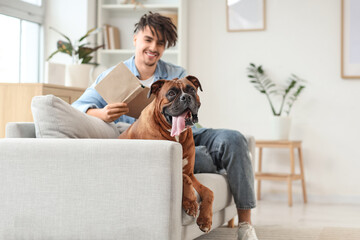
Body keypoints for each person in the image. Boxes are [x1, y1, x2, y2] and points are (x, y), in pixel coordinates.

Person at [72, 12, 258, 240]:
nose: (153, 47)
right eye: (148, 39)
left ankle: (246, 226)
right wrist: (102, 112)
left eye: (160, 43)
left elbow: (188, 104)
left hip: (190, 133)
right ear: (135, 39)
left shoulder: (175, 73)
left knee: (234, 139)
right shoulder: (112, 76)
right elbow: (79, 107)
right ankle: (211, 161)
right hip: (153, 142)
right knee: (184, 157)